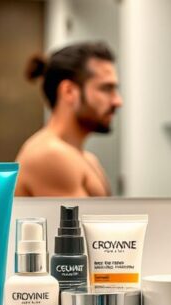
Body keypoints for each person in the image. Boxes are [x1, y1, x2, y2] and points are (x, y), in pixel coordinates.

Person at [15, 41, 122, 196]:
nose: (117, 101)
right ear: (69, 91)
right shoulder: (50, 155)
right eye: (106, 88)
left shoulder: (87, 159)